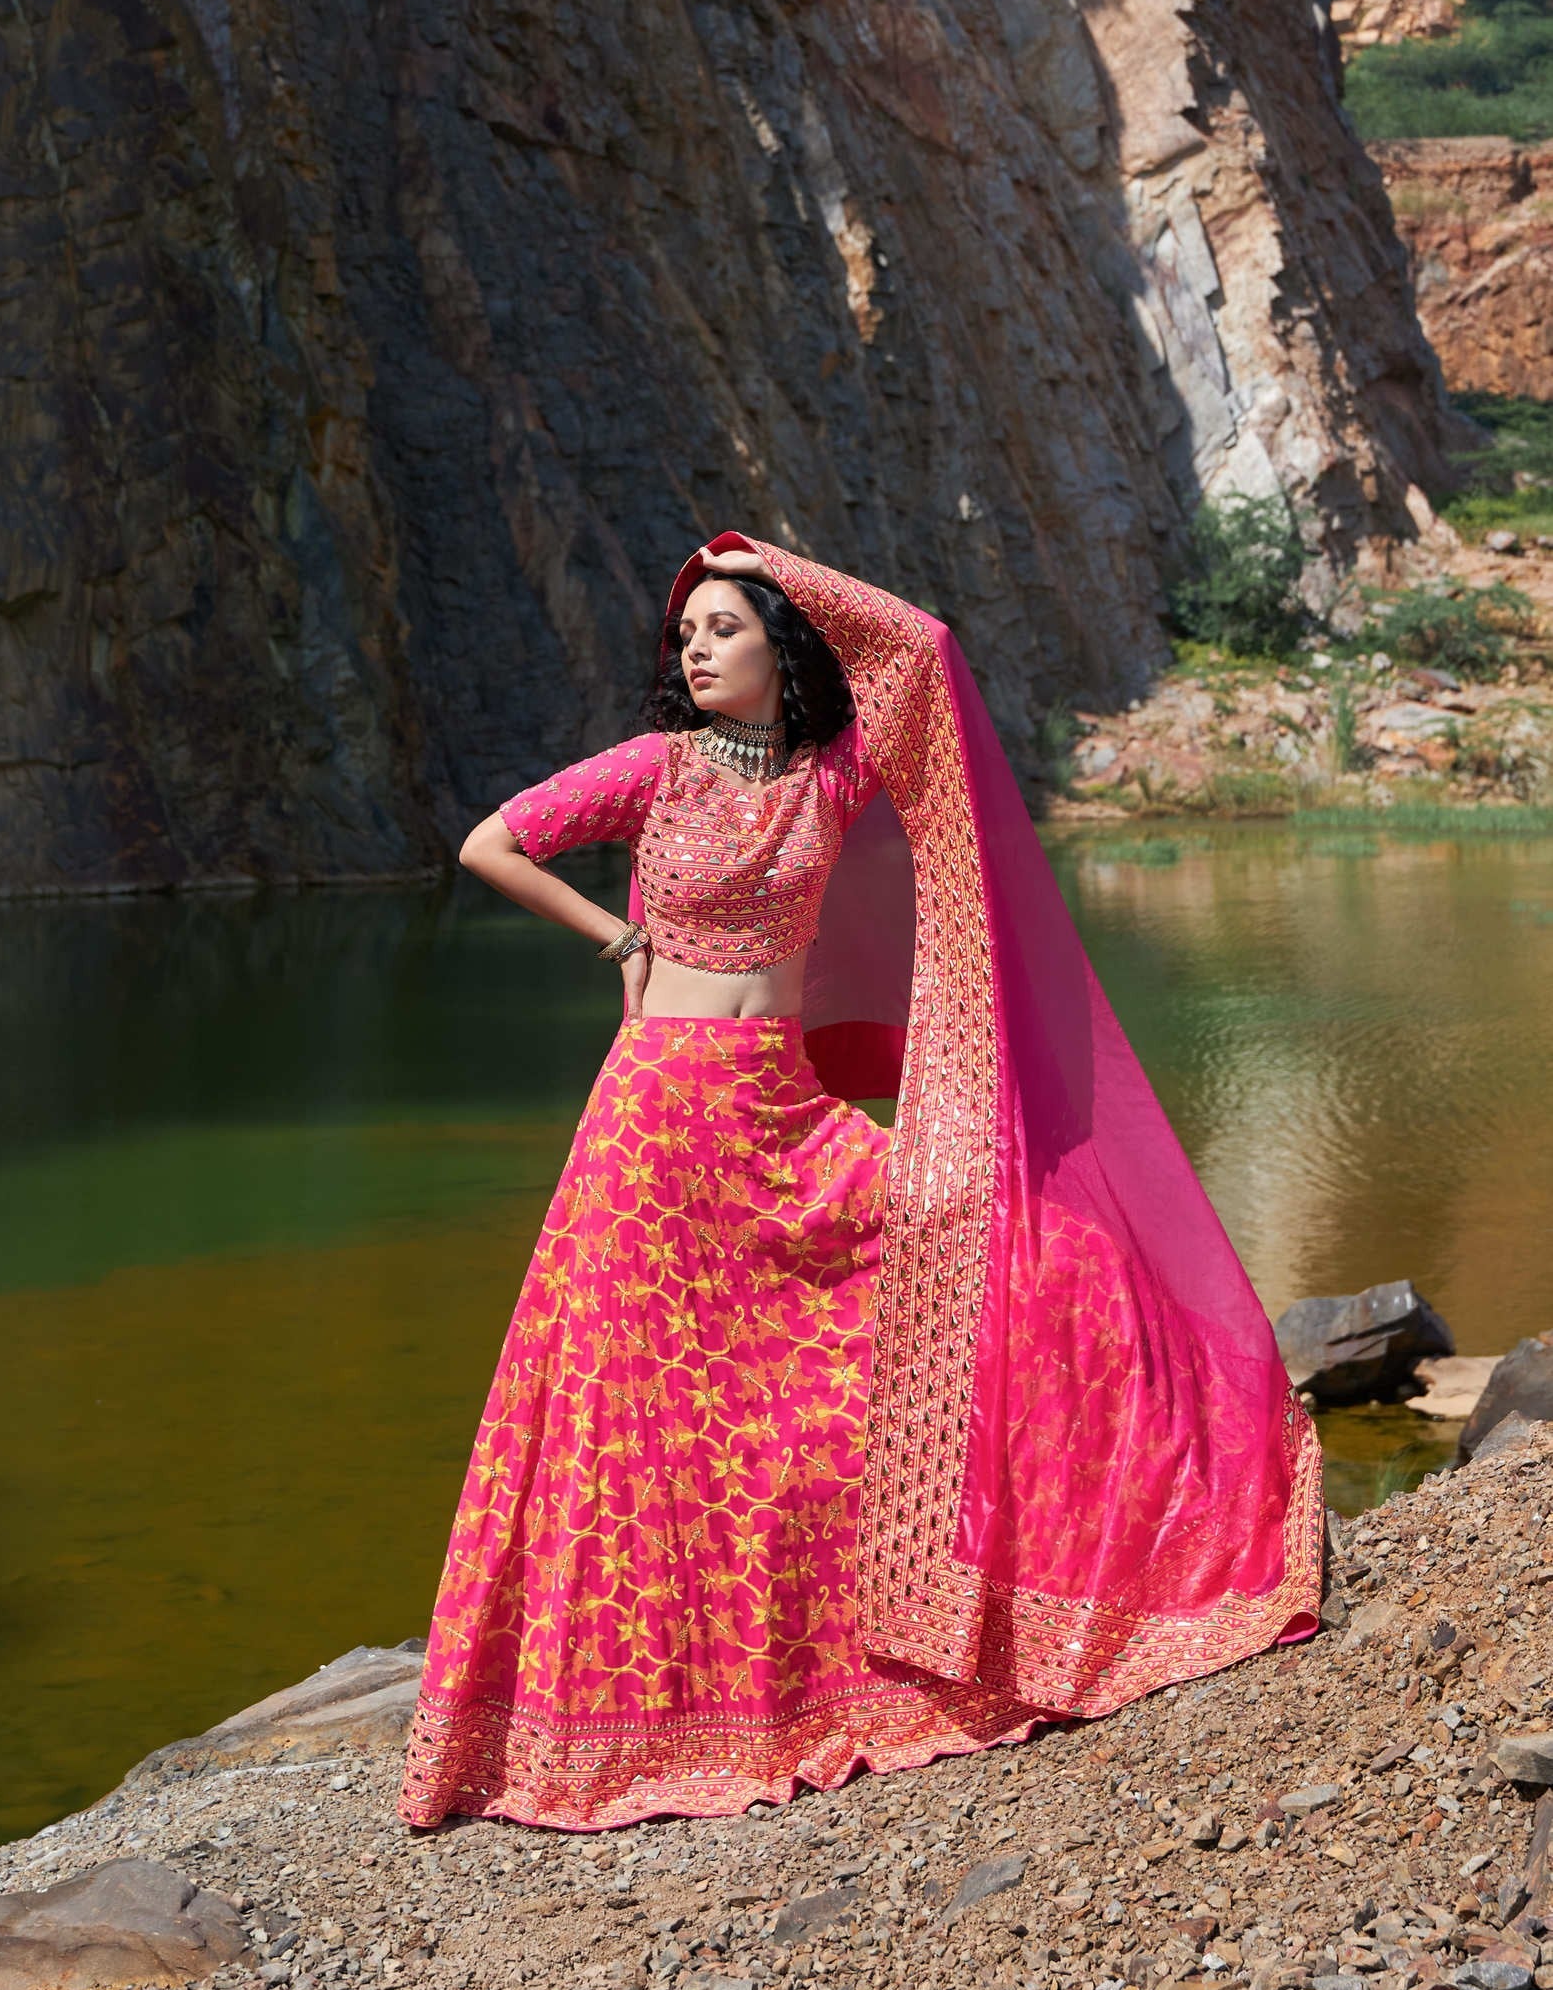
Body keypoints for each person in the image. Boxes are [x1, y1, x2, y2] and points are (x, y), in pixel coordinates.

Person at [396, 533, 1323, 1835]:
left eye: (725, 626)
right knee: (642, 1410)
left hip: (778, 1109)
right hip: (654, 1119)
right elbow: (492, 843)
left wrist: (759, 558)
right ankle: (619, 1715)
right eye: (687, 635)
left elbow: (926, 650)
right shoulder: (655, 770)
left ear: (785, 644)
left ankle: (939, 1602)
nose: (696, 649)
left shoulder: (831, 782)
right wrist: (620, 938)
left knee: (985, 1277)